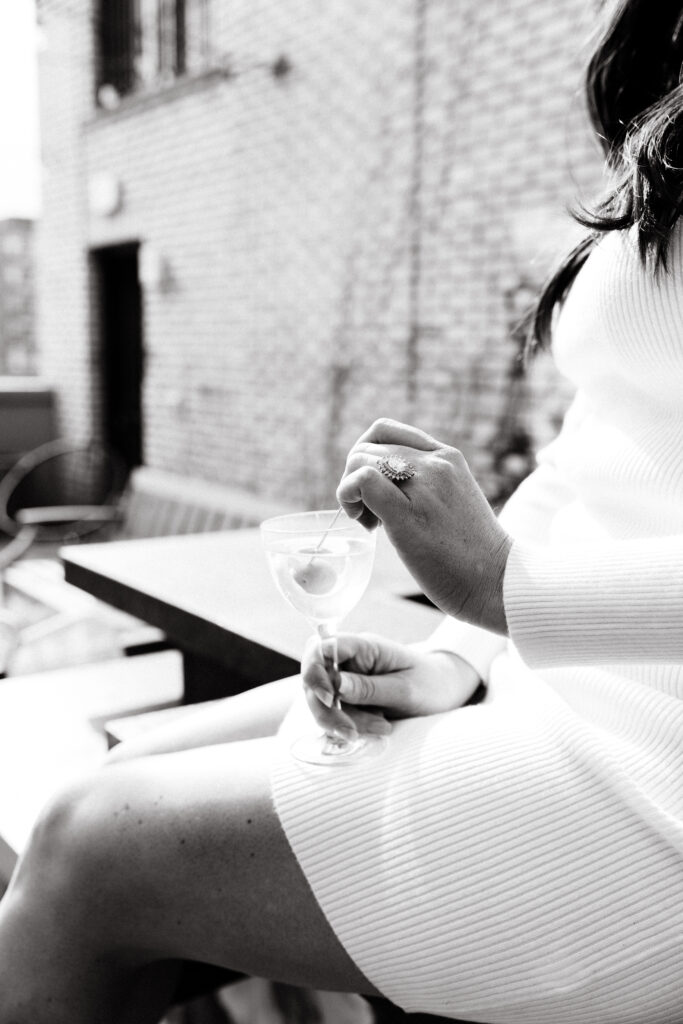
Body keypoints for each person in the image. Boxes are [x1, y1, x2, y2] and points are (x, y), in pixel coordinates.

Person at [1, 0, 683, 1020]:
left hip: (650, 760)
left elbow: (530, 566)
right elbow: (596, 463)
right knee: (93, 791)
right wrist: (457, 656)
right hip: (549, 680)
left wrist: (514, 590)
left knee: (89, 851)